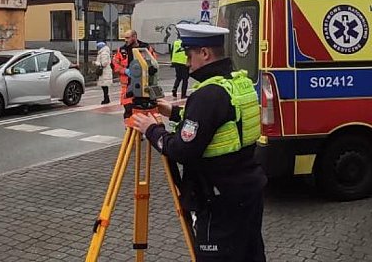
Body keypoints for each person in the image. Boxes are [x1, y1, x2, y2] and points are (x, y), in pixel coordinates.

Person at [129, 24, 267, 262]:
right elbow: (221, 123)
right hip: (247, 189)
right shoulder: (237, 83)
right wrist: (173, 112)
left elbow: (183, 150)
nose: (186, 62)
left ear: (205, 53)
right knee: (250, 255)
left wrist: (151, 130)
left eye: (189, 54)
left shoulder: (207, 95)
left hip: (219, 198)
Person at [112, 30, 156, 118]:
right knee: (128, 110)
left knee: (148, 111)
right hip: (128, 85)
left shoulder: (145, 48)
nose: (126, 40)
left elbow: (153, 62)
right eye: (125, 38)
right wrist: (125, 71)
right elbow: (114, 64)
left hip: (144, 85)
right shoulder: (122, 50)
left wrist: (150, 69)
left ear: (134, 37)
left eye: (128, 38)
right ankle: (128, 127)